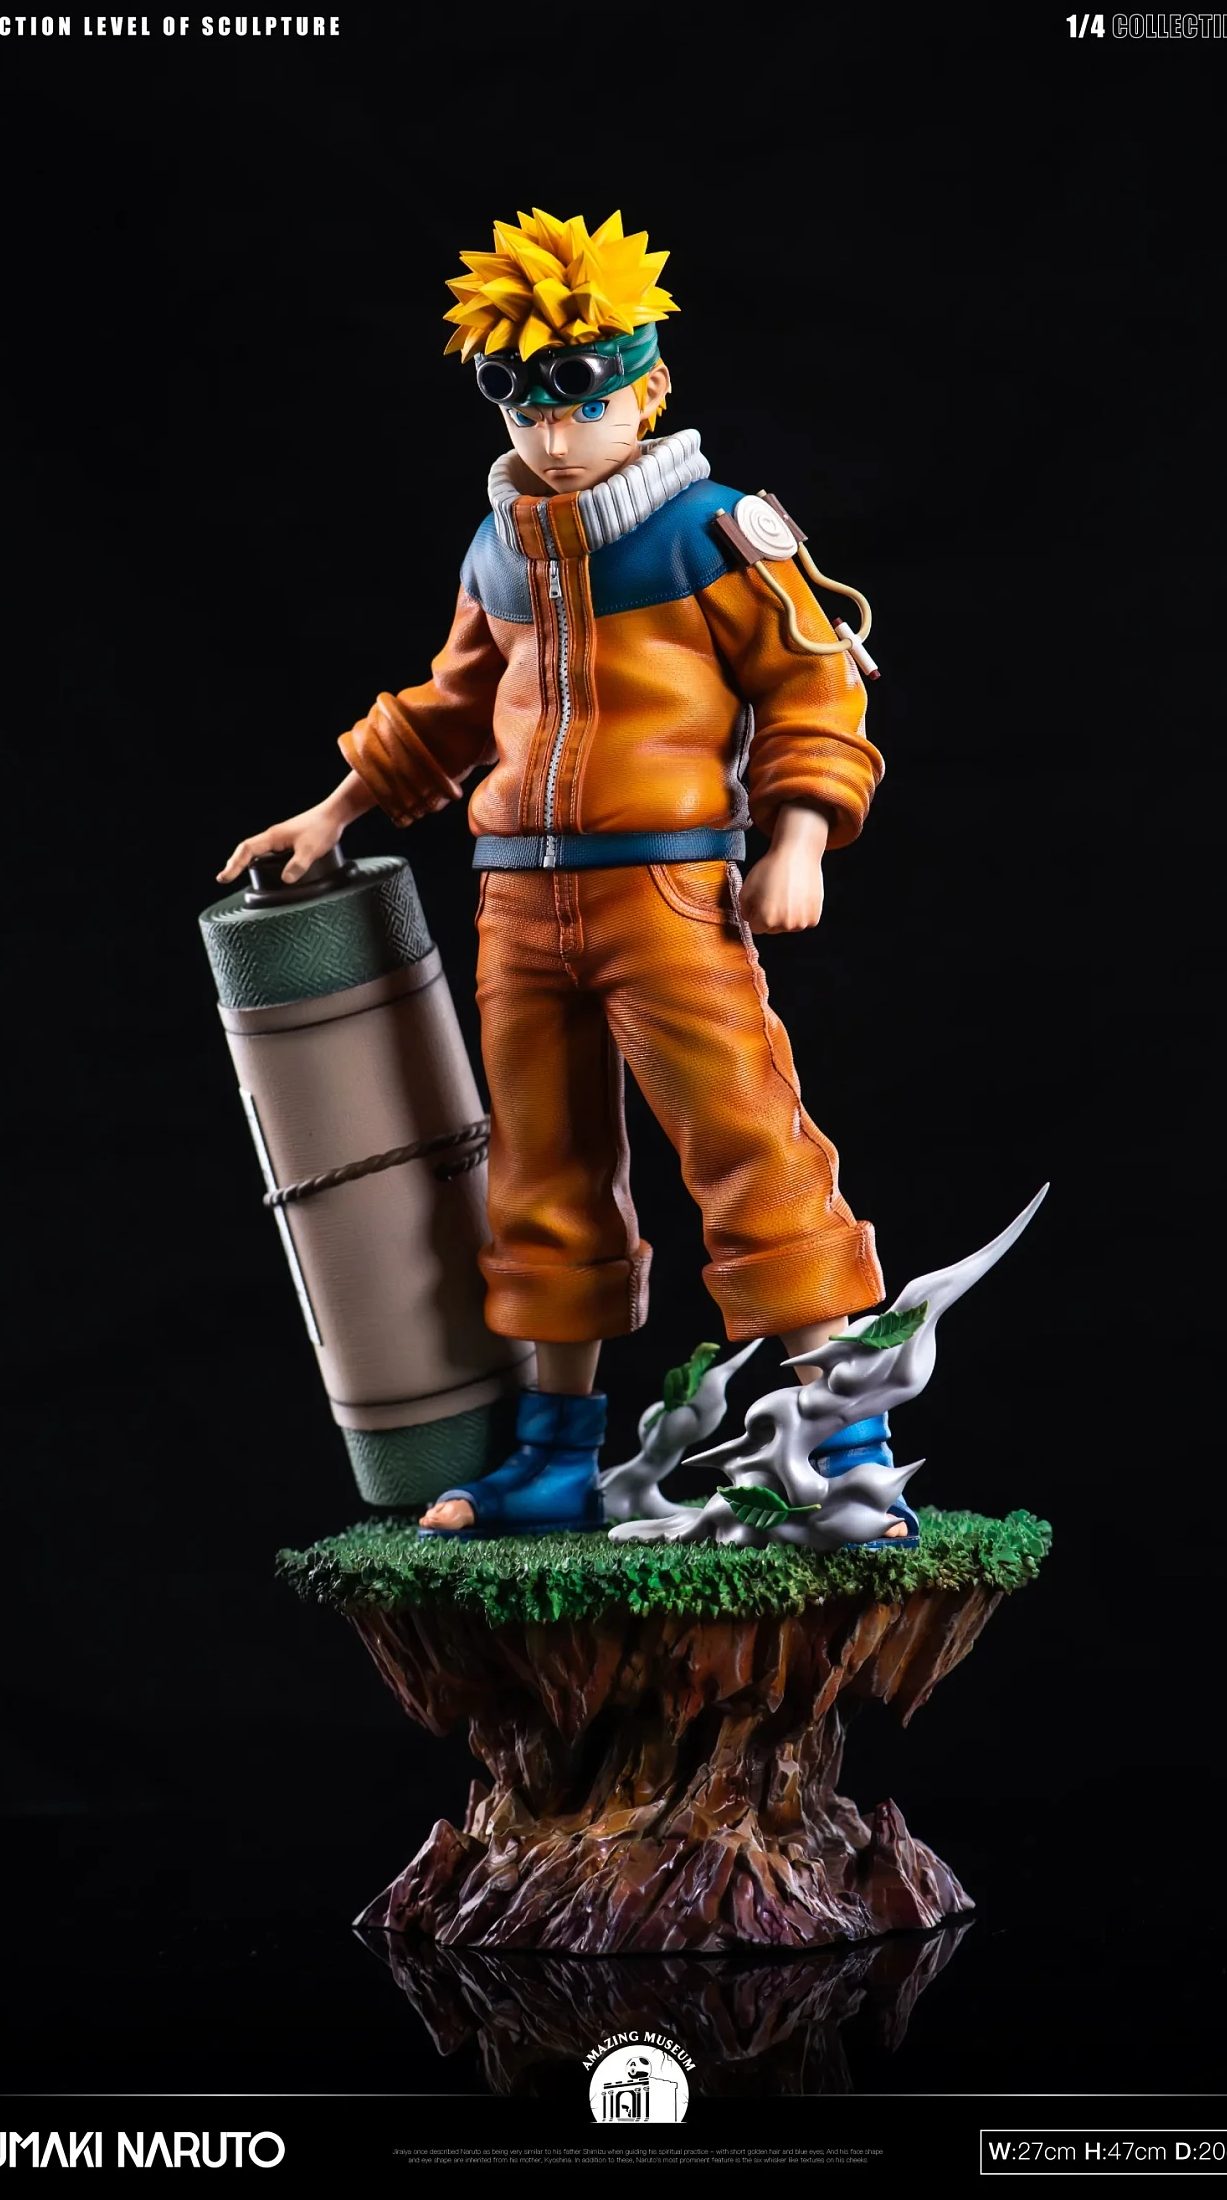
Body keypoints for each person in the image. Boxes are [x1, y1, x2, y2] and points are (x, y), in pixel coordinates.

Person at [218, 208, 907, 1539]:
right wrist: (338, 806)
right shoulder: (501, 549)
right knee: (539, 1176)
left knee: (747, 1143)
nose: (549, 432)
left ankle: (848, 1441)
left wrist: (801, 834)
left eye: (579, 397)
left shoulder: (715, 535)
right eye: (520, 402)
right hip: (519, 905)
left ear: (646, 390)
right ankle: (553, 1454)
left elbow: (815, 683)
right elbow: (451, 707)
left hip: (666, 895)